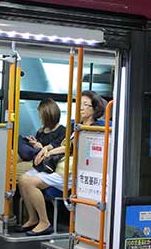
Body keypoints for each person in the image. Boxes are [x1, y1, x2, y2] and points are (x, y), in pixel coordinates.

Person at [17, 90, 106, 236]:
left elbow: (75, 150)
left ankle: (45, 222)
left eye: (85, 105)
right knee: (22, 179)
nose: (81, 108)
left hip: (72, 173)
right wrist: (47, 150)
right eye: (79, 104)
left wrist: (50, 151)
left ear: (95, 109)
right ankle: (33, 218)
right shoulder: (76, 127)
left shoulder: (94, 130)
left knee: (29, 182)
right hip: (60, 167)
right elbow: (64, 144)